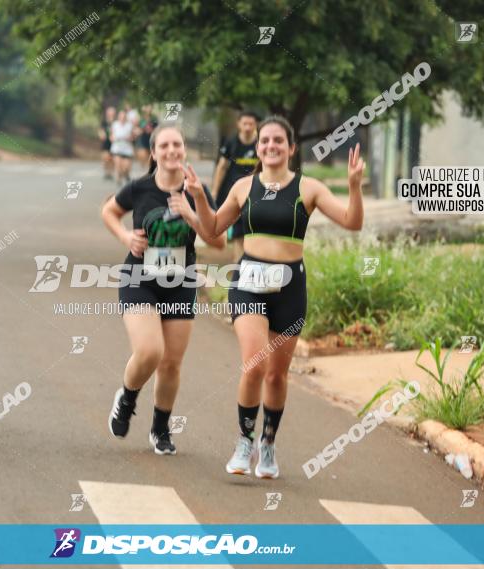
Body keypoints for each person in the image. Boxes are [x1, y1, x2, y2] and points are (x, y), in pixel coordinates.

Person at [190, 115, 364, 478]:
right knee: (254, 364)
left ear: (290, 147)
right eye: (265, 141)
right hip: (248, 282)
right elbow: (212, 230)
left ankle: (267, 445)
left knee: (276, 375)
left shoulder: (309, 189)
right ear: (258, 147)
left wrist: (354, 186)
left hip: (290, 289)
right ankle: (244, 441)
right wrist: (198, 199)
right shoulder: (242, 187)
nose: (270, 146)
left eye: (278, 141)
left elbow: (352, 221)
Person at [101, 123, 225, 455]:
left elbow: (219, 238)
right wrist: (126, 237)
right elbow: (109, 211)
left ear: (184, 150)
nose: (172, 151)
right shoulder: (140, 188)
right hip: (139, 278)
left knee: (171, 363)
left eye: (177, 145)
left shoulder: (197, 190)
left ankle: (160, 429)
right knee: (150, 351)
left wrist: (193, 213)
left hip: (180, 282)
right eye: (164, 146)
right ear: (153, 153)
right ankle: (127, 398)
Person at [211, 111, 259, 261]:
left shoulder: (261, 143)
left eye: (251, 124)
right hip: (235, 194)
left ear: (255, 125)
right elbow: (222, 167)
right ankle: (238, 265)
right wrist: (214, 191)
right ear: (239, 124)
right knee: (238, 233)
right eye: (245, 123)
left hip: (256, 193)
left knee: (253, 232)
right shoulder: (231, 142)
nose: (247, 127)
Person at [110, 109, 135, 185]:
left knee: (126, 167)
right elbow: (111, 135)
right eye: (121, 116)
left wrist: (130, 138)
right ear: (118, 117)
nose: (122, 118)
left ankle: (126, 174)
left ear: (126, 117)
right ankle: (119, 178)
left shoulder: (130, 125)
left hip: (127, 149)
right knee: (118, 165)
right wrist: (112, 138)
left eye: (124, 116)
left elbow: (133, 136)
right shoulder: (115, 124)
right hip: (117, 148)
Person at [135, 104, 158, 170]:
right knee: (143, 154)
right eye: (147, 107)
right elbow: (137, 128)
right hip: (142, 138)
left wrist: (152, 131)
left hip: (151, 138)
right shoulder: (141, 119)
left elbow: (157, 128)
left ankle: (149, 168)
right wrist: (138, 130)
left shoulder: (154, 118)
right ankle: (145, 167)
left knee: (150, 155)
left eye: (149, 107)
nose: (148, 109)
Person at [99, 105, 116, 180]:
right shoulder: (104, 122)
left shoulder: (116, 122)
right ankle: (106, 172)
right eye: (109, 112)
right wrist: (101, 134)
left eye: (112, 112)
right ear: (107, 113)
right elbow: (100, 130)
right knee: (105, 158)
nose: (111, 114)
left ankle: (111, 172)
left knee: (112, 159)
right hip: (105, 142)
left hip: (114, 143)